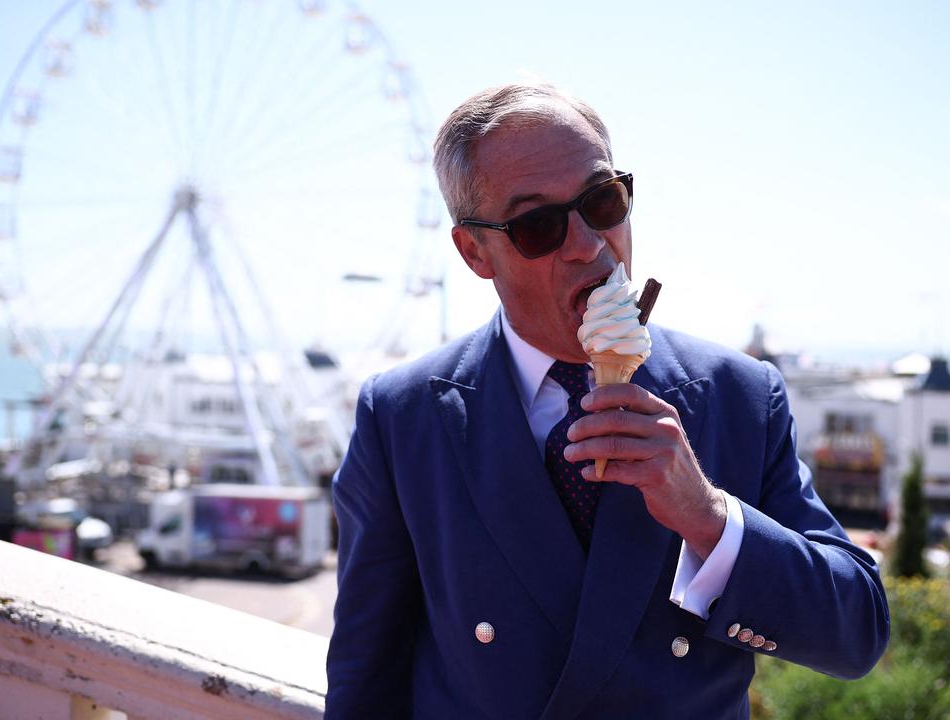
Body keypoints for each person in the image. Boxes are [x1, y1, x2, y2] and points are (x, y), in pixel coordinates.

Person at [325, 82, 889, 719]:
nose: (589, 244)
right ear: (475, 252)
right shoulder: (404, 418)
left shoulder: (738, 398)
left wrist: (707, 515)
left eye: (602, 201)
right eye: (538, 225)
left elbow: (859, 632)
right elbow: (364, 679)